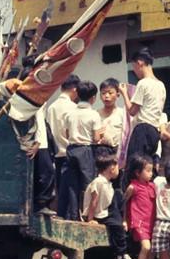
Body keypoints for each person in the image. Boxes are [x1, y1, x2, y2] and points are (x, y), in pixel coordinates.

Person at [82, 154, 137, 259]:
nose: (119, 170)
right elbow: (94, 201)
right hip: (98, 214)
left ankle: (120, 249)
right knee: (117, 226)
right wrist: (90, 219)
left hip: (103, 211)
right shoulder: (100, 182)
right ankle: (121, 254)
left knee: (118, 197)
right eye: (117, 167)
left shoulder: (107, 183)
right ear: (112, 168)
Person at [119, 48, 166, 168]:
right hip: (154, 132)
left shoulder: (143, 83)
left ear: (140, 63)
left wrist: (124, 93)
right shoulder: (161, 85)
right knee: (146, 168)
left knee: (134, 168)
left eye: (134, 67)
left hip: (142, 130)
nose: (135, 71)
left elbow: (132, 111)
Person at [61, 81, 102, 220]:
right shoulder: (94, 114)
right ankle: (88, 215)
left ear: (77, 94)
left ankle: (73, 216)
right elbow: (96, 138)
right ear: (93, 98)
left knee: (72, 185)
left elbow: (66, 134)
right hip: (86, 149)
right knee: (88, 184)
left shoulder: (69, 113)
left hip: (71, 149)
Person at [46, 75, 79, 216]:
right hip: (70, 153)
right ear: (75, 89)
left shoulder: (51, 107)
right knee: (72, 188)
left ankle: (61, 214)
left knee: (60, 189)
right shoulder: (73, 107)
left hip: (55, 153)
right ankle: (72, 217)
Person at [123, 154, 156, 259]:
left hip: (151, 223)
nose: (151, 174)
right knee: (146, 247)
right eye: (147, 171)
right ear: (137, 173)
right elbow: (124, 204)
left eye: (151, 170)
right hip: (139, 222)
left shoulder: (152, 186)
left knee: (153, 249)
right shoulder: (133, 187)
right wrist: (124, 220)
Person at [97, 78, 124, 157]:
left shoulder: (122, 113)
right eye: (103, 93)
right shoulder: (95, 114)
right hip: (100, 153)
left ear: (118, 94)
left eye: (110, 93)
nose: (106, 96)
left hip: (118, 152)